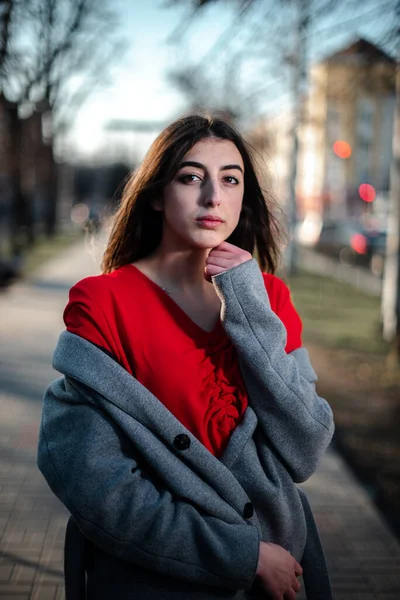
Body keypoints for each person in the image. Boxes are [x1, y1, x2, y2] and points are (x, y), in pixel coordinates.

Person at [37, 113, 335, 600]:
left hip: (283, 576)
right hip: (153, 579)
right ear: (156, 194)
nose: (213, 196)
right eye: (191, 177)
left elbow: (305, 448)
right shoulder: (103, 303)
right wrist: (243, 555)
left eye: (230, 179)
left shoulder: (270, 299)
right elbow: (93, 479)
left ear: (244, 196)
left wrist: (245, 301)